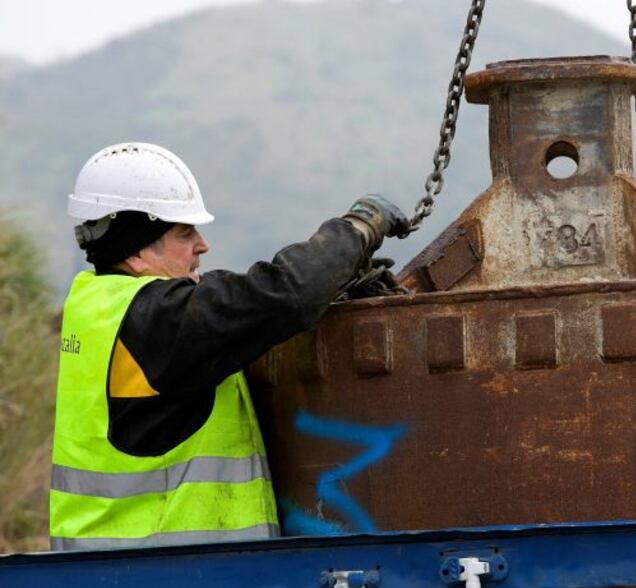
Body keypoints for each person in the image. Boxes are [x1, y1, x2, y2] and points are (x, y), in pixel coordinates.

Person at [50, 142, 408, 550]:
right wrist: (359, 228)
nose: (202, 245)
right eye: (185, 233)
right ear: (135, 250)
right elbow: (284, 294)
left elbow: (236, 309)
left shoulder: (99, 306)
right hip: (172, 579)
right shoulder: (159, 322)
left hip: (109, 576)